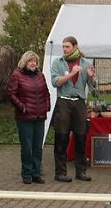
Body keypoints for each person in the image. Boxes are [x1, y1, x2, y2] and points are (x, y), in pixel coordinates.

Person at [51, 36, 97, 182]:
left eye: (67, 46)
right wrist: (71, 74)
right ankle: (60, 172)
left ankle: (81, 172)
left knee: (80, 138)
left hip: (79, 103)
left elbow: (94, 90)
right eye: (63, 47)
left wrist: (90, 77)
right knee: (62, 138)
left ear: (75, 46)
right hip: (63, 101)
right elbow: (55, 82)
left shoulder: (86, 63)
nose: (64, 49)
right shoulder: (58, 62)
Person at [8, 51, 51, 184]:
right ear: (25, 62)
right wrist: (22, 107)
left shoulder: (40, 76)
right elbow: (11, 94)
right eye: (30, 61)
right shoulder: (17, 75)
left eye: (35, 61)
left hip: (39, 115)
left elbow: (46, 93)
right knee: (27, 146)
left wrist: (47, 106)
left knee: (38, 146)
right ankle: (26, 173)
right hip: (25, 117)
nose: (33, 63)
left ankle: (36, 173)